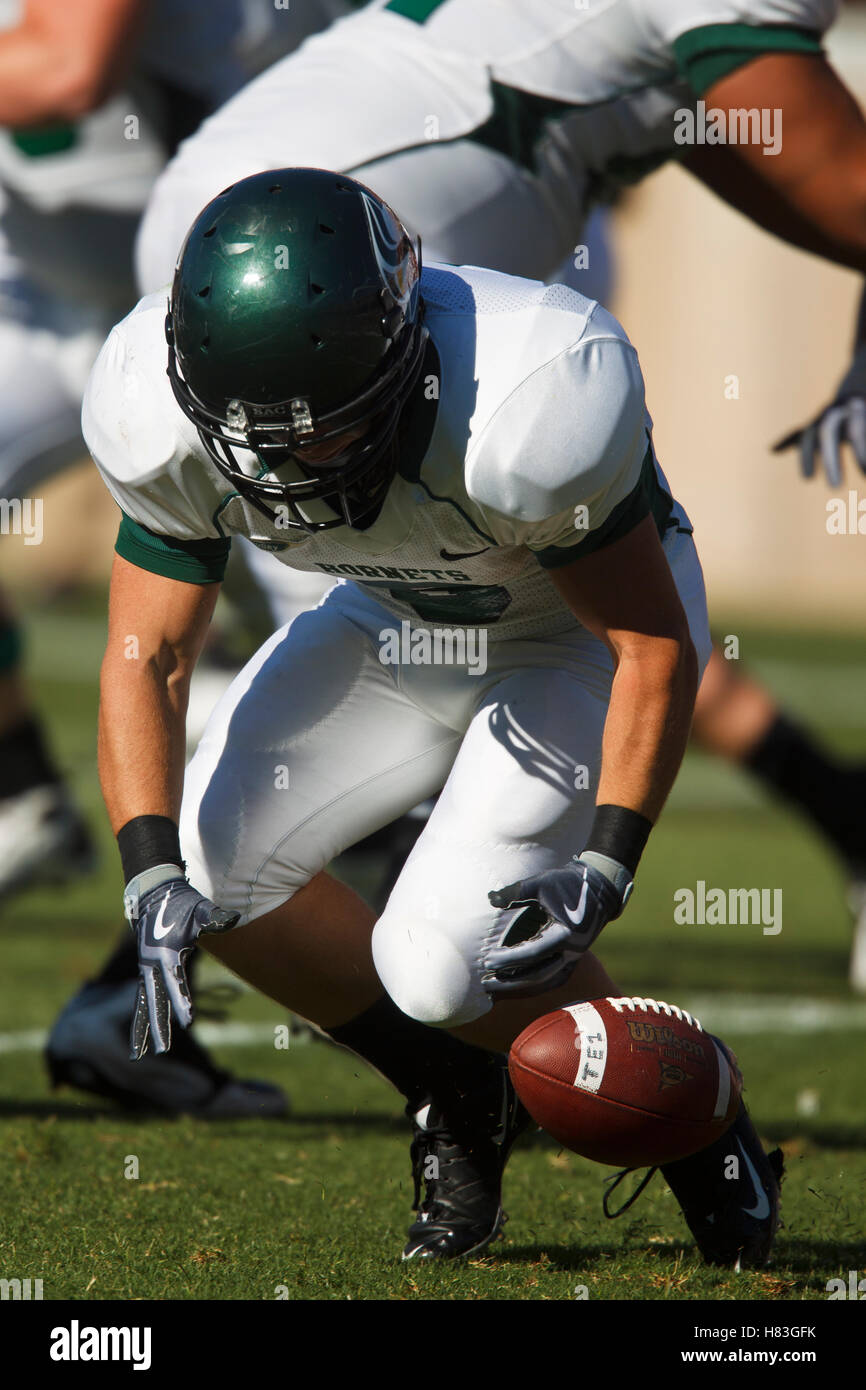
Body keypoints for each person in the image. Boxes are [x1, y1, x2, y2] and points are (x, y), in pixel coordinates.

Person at [83, 167, 782, 1264]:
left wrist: (605, 862)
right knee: (211, 875)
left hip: (571, 638)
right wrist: (145, 871)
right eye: (249, 433)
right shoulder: (153, 404)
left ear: (403, 362)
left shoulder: (526, 395)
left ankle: (697, 1115)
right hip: (395, 613)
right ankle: (455, 1091)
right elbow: (149, 652)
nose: (281, 466)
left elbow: (649, 644)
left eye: (319, 432)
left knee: (439, 964)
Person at [134, 0, 866, 991]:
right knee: (463, 588)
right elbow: (840, 188)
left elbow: (776, 167)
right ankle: (438, 984)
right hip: (338, 258)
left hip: (251, 230)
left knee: (522, 580)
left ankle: (451, 963)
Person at [0, 0, 351, 1114]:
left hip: (228, 318)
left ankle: (133, 1003)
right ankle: (19, 796)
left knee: (375, 679)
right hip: (50, 287)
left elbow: (65, 67)